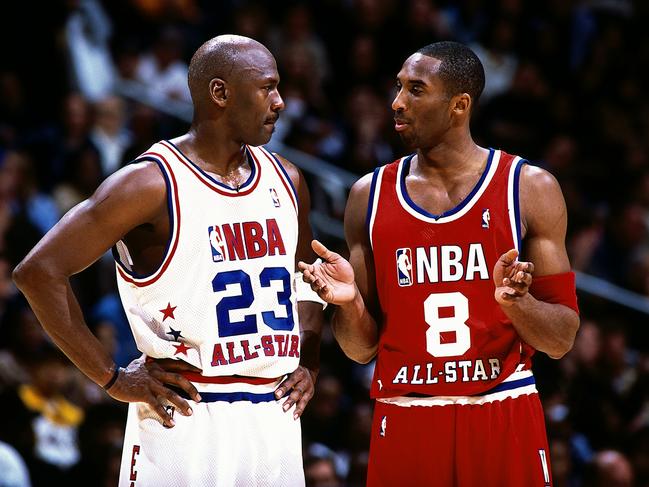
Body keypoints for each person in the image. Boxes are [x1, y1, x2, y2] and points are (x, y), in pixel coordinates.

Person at [13, 34, 324, 486]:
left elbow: (307, 276)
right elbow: (38, 272)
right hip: (186, 415)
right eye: (267, 87)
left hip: (273, 416)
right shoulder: (149, 183)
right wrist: (112, 378)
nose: (279, 102)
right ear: (220, 93)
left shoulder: (288, 178)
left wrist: (309, 360)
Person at [299, 41, 580, 486]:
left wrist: (517, 305)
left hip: (500, 407)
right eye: (398, 87)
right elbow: (360, 349)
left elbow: (562, 338)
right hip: (406, 411)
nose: (397, 102)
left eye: (416, 89)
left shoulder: (528, 188)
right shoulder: (367, 196)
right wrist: (349, 303)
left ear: (459, 105)